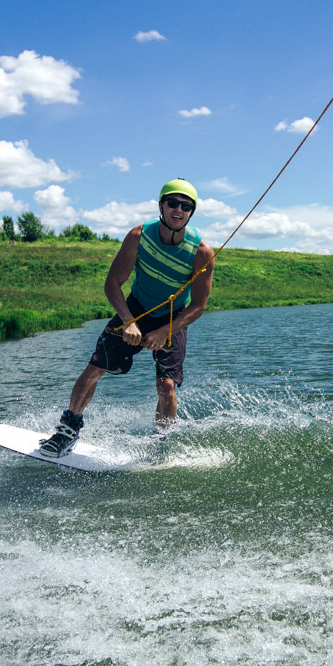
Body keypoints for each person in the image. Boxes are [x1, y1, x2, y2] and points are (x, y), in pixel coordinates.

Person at [39, 178, 215, 458]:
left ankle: (161, 443)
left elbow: (198, 306)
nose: (178, 210)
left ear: (191, 211)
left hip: (173, 317)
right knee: (95, 369)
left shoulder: (201, 252)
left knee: (166, 386)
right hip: (136, 308)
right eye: (173, 203)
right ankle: (67, 431)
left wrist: (163, 331)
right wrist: (129, 320)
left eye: (186, 206)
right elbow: (112, 283)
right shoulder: (139, 236)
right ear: (162, 206)